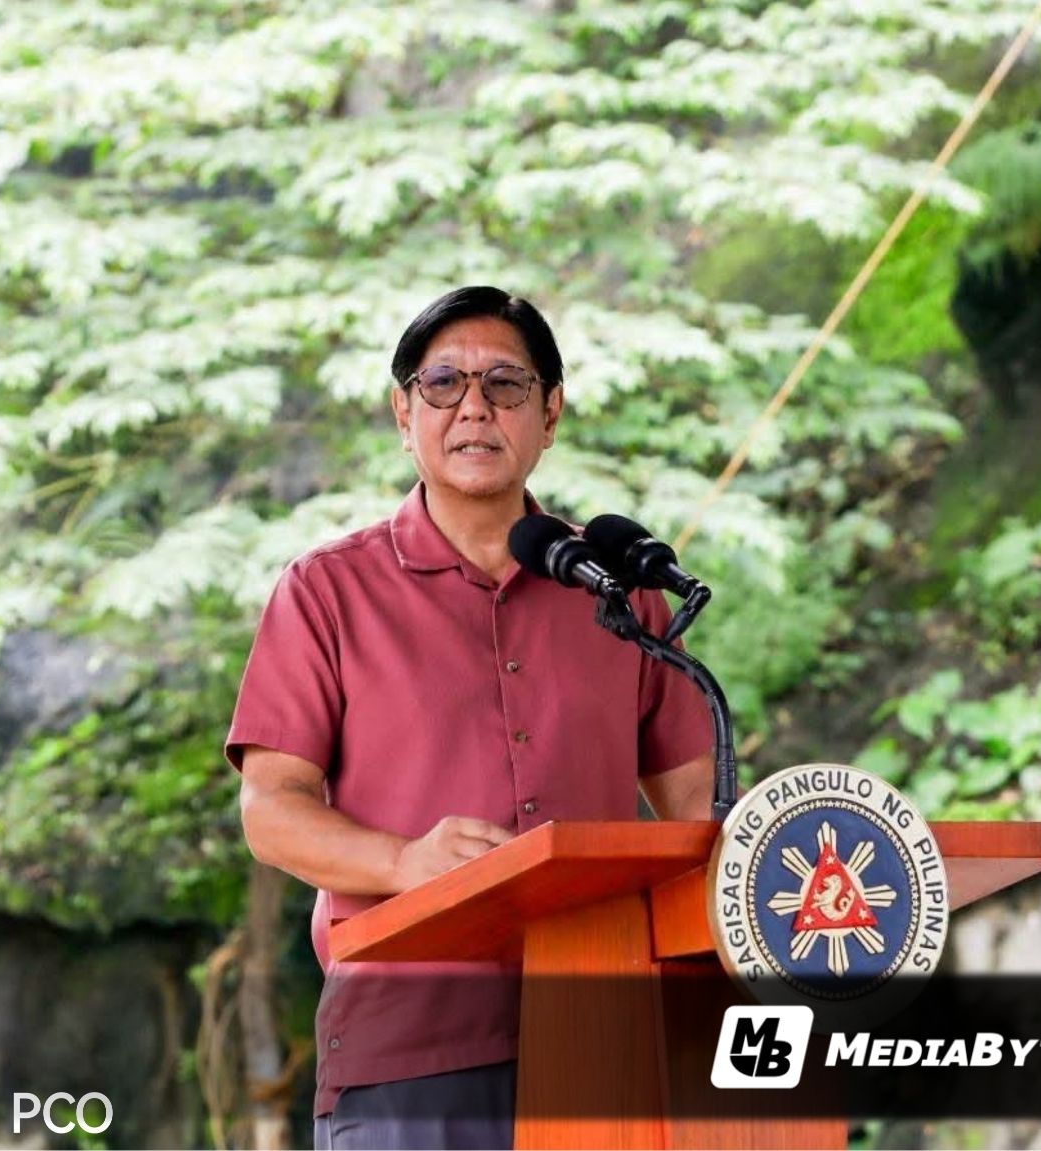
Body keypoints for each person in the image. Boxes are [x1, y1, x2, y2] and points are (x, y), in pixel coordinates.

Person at [227, 286, 716, 1150]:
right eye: (444, 383)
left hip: (603, 1030)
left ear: (550, 413)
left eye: (505, 383)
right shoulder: (328, 592)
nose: (474, 408)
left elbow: (700, 811)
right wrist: (404, 861)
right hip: (410, 1046)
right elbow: (272, 811)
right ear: (403, 414)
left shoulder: (618, 589)